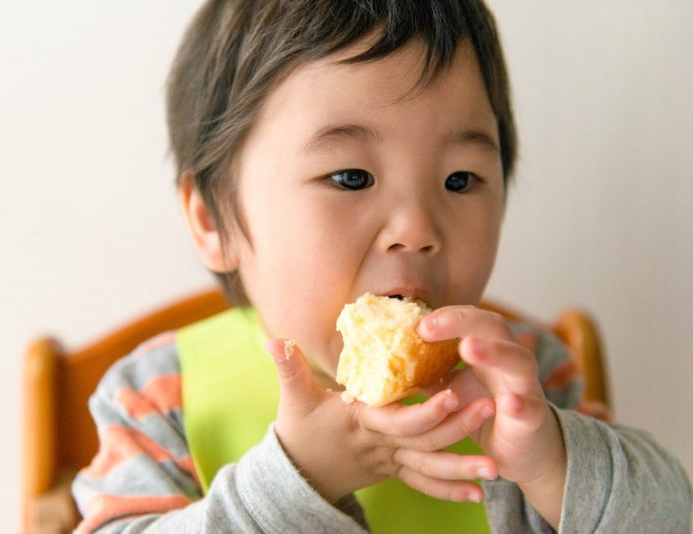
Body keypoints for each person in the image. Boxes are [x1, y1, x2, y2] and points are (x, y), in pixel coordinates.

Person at [70, 1, 692, 532]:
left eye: (459, 178)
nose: (418, 230)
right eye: (351, 177)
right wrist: (297, 481)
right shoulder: (158, 399)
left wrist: (552, 462)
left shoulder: (529, 381)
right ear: (212, 220)